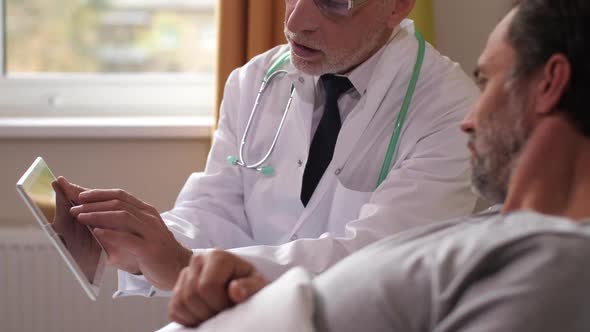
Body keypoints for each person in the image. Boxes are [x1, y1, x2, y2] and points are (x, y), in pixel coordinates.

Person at [162, 0, 590, 330]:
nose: (294, 22)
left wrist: (203, 269)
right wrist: (161, 244)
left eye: (487, 81)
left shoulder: (551, 260)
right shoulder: (490, 235)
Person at [59, 0, 479, 298]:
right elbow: (216, 210)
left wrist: (188, 266)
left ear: (397, 5)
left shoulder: (451, 110)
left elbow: (379, 260)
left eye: (333, 2)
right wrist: (140, 246)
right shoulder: (254, 80)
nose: (297, 20)